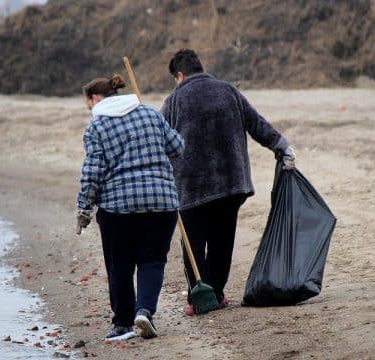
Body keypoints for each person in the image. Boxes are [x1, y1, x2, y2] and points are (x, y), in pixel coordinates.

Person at [160, 49, 295, 315]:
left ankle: (197, 298)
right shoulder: (228, 91)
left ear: (180, 75)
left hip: (192, 186)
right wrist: (282, 147)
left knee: (193, 243)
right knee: (223, 240)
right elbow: (257, 124)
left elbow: (160, 140)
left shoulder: (173, 101)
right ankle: (217, 293)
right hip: (231, 182)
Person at [75, 74, 184, 341]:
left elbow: (92, 173)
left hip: (118, 208)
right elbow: (177, 146)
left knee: (120, 264)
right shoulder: (150, 113)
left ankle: (123, 324)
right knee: (153, 259)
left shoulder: (97, 127)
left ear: (96, 99)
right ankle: (144, 311)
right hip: (161, 201)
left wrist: (83, 209)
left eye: (88, 104)